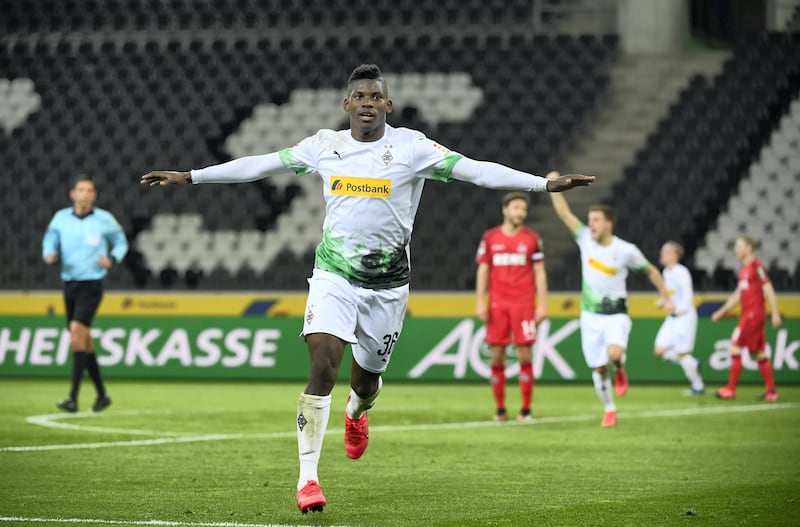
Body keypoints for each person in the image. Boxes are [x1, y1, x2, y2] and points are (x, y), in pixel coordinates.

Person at [141, 64, 594, 513]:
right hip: (333, 276)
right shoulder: (325, 146)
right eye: (359, 97)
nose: (367, 104)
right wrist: (192, 176)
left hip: (387, 287)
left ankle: (357, 414)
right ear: (347, 105)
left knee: (366, 380)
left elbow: (475, 171)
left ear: (388, 106)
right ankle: (308, 479)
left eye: (376, 97)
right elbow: (261, 165)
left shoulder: (412, 148)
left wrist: (544, 185)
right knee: (322, 365)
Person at [546, 171, 673, 427]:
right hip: (590, 316)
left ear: (608, 224)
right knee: (598, 368)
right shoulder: (585, 240)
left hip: (616, 314)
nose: (590, 224)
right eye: (590, 220)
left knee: (614, 354)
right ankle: (609, 409)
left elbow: (651, 271)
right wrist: (552, 184)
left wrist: (666, 298)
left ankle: (620, 366)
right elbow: (564, 214)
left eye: (595, 220)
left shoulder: (626, 251)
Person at [42, 176, 129, 413]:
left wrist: (112, 258)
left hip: (92, 284)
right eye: (80, 190)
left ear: (94, 196)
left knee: (77, 332)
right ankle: (102, 395)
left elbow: (121, 242)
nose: (84, 194)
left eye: (89, 190)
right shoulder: (60, 218)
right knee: (84, 341)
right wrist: (49, 253)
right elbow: (50, 240)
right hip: (69, 284)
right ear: (72, 194)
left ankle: (72, 397)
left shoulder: (104, 220)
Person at [475, 192, 547, 422]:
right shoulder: (490, 238)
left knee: (525, 356)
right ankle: (500, 410)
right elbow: (483, 270)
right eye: (516, 208)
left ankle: (525, 410)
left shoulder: (532, 239)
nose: (520, 213)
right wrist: (480, 301)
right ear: (505, 210)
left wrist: (542, 304)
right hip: (498, 304)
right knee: (497, 356)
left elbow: (539, 272)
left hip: (524, 304)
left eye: (523, 209)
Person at [711, 235, 782, 401]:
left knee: (734, 346)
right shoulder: (743, 270)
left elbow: (769, 290)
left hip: (753, 316)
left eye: (739, 246)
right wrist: (721, 312)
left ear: (748, 248)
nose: (736, 249)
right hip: (750, 315)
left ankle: (730, 389)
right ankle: (771, 392)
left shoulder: (757, 267)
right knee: (759, 353)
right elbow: (738, 295)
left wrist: (776, 313)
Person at [653, 241, 704, 395]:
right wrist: (663, 301)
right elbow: (672, 293)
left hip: (684, 316)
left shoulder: (681, 271)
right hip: (672, 317)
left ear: (675, 255)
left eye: (666, 252)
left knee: (682, 354)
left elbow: (688, 293)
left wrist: (681, 310)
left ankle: (698, 386)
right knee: (659, 350)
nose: (662, 254)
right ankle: (693, 363)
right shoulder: (666, 273)